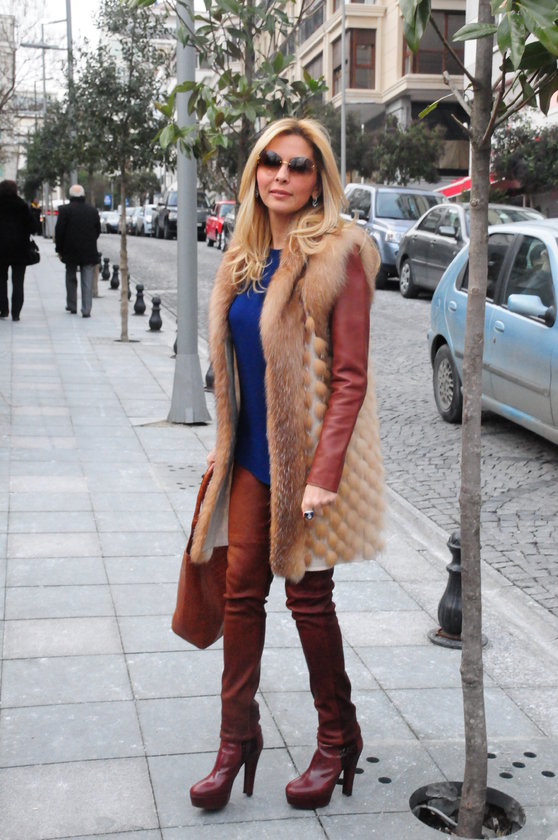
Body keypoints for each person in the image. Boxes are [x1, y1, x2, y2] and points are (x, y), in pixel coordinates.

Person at [188, 117, 384, 813]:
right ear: (254, 172)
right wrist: (223, 441)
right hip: (248, 457)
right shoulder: (241, 256)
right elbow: (238, 366)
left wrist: (325, 473)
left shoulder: (340, 254)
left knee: (308, 601)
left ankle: (338, 736)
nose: (281, 174)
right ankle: (235, 738)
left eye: (298, 166)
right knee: (240, 596)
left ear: (318, 180)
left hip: (306, 463)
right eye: (271, 161)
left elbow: (351, 377)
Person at [55, 184, 100, 317]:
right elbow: (97, 230)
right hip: (88, 250)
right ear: (83, 195)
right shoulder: (93, 211)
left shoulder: (64, 210)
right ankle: (86, 309)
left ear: (70, 196)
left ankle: (72, 304)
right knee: (87, 280)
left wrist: (59, 249)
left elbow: (59, 231)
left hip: (70, 249)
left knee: (70, 276)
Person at [0, 180, 37, 322]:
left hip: (1, 249)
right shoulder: (22, 206)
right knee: (18, 281)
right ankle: (16, 313)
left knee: (1, 280)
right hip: (20, 249)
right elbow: (33, 227)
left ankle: (3, 309)